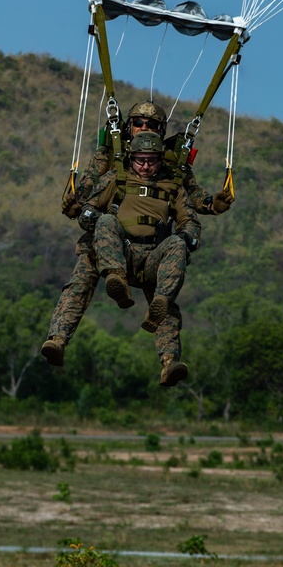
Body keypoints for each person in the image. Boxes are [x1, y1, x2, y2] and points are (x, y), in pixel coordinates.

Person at [41, 100, 232, 370]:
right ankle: (59, 339)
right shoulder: (110, 163)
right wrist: (76, 208)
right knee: (81, 281)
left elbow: (193, 203)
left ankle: (169, 361)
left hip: (152, 253)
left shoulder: (174, 175)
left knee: (166, 299)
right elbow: (85, 198)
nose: (144, 129)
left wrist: (211, 207)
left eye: (151, 125)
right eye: (139, 123)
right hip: (110, 247)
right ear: (129, 129)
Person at [78, 130, 200, 387]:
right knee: (107, 219)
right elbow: (88, 207)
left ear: (160, 160)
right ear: (131, 158)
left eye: (152, 161)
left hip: (153, 259)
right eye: (140, 160)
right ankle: (116, 281)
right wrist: (89, 215)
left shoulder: (173, 186)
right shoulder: (116, 178)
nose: (145, 166)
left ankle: (169, 361)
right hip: (122, 254)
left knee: (177, 245)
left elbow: (189, 221)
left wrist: (188, 237)